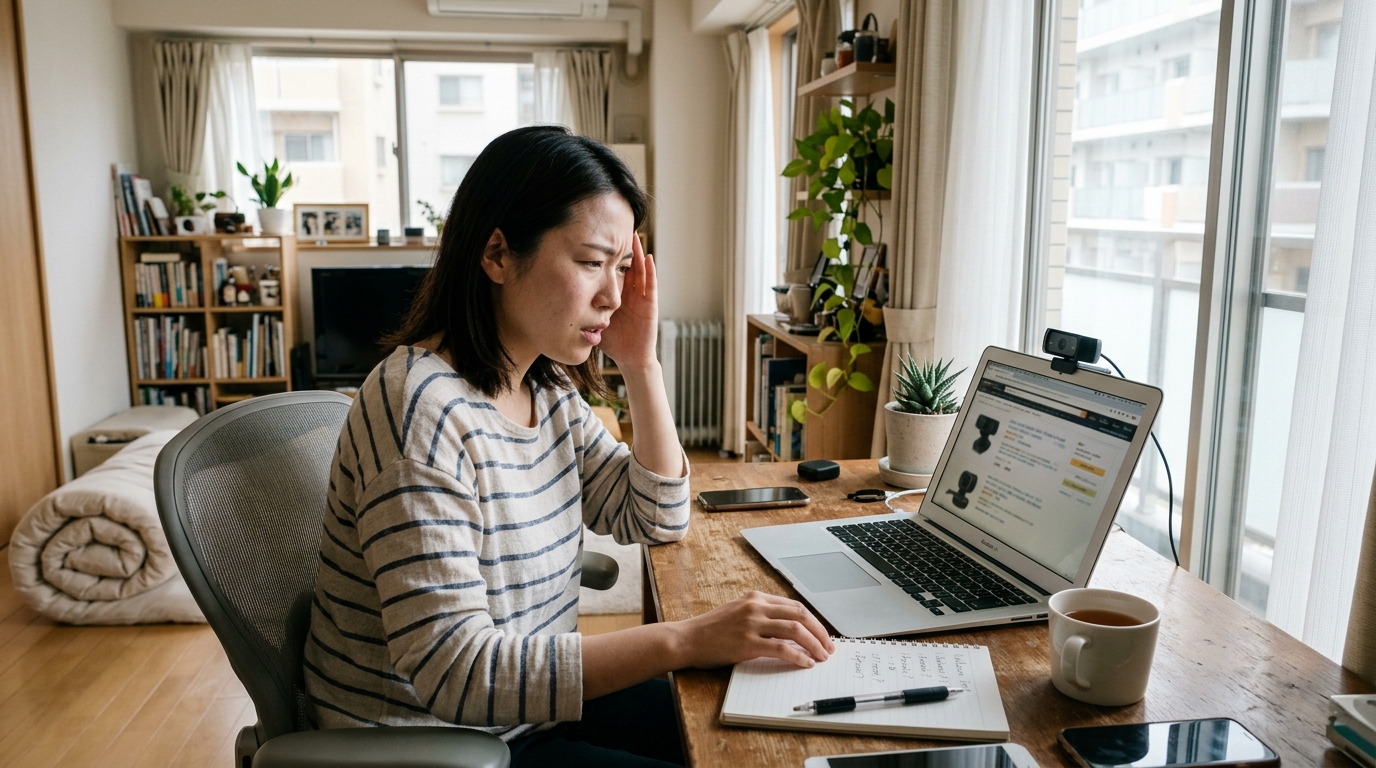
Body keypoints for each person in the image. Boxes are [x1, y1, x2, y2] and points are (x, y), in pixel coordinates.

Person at [304, 125, 835, 767]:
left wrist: (641, 365)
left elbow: (656, 516)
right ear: (497, 254)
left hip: (528, 713)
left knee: (770, 735)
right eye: (590, 262)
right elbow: (455, 673)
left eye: (622, 267)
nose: (613, 295)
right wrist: (685, 640)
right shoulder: (420, 410)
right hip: (439, 744)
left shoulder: (542, 385)